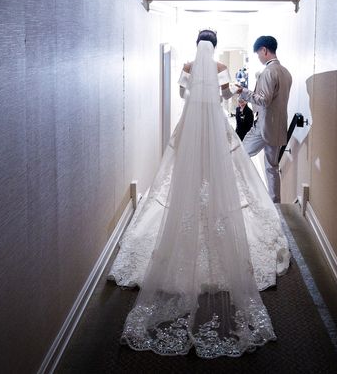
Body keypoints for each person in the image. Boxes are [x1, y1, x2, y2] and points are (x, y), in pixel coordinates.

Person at [108, 30, 290, 358]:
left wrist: (196, 97)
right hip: (216, 127)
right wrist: (223, 95)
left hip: (191, 126)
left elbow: (182, 93)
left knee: (181, 173)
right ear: (214, 47)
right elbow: (226, 95)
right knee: (227, 173)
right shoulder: (220, 66)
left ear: (197, 45)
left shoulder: (188, 67)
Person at [237, 36, 292, 204]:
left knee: (239, 155)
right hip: (278, 127)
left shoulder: (268, 72)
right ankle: (275, 204)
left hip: (264, 126)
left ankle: (244, 195)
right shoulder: (285, 72)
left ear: (264, 50)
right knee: (272, 168)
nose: (259, 57)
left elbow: (263, 100)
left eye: (258, 54)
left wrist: (243, 91)